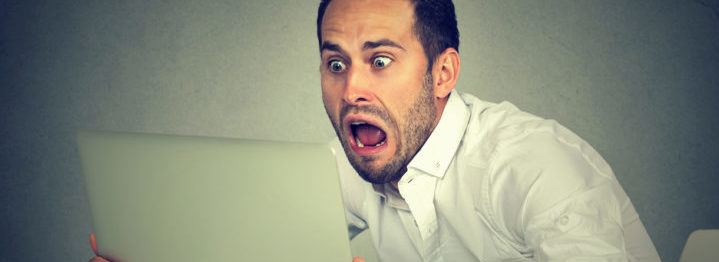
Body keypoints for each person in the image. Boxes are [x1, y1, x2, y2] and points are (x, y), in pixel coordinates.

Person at [90, 0, 660, 261]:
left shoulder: (532, 165)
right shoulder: (351, 165)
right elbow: (240, 249)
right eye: (335, 63)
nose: (351, 89)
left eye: (380, 60)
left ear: (443, 72)